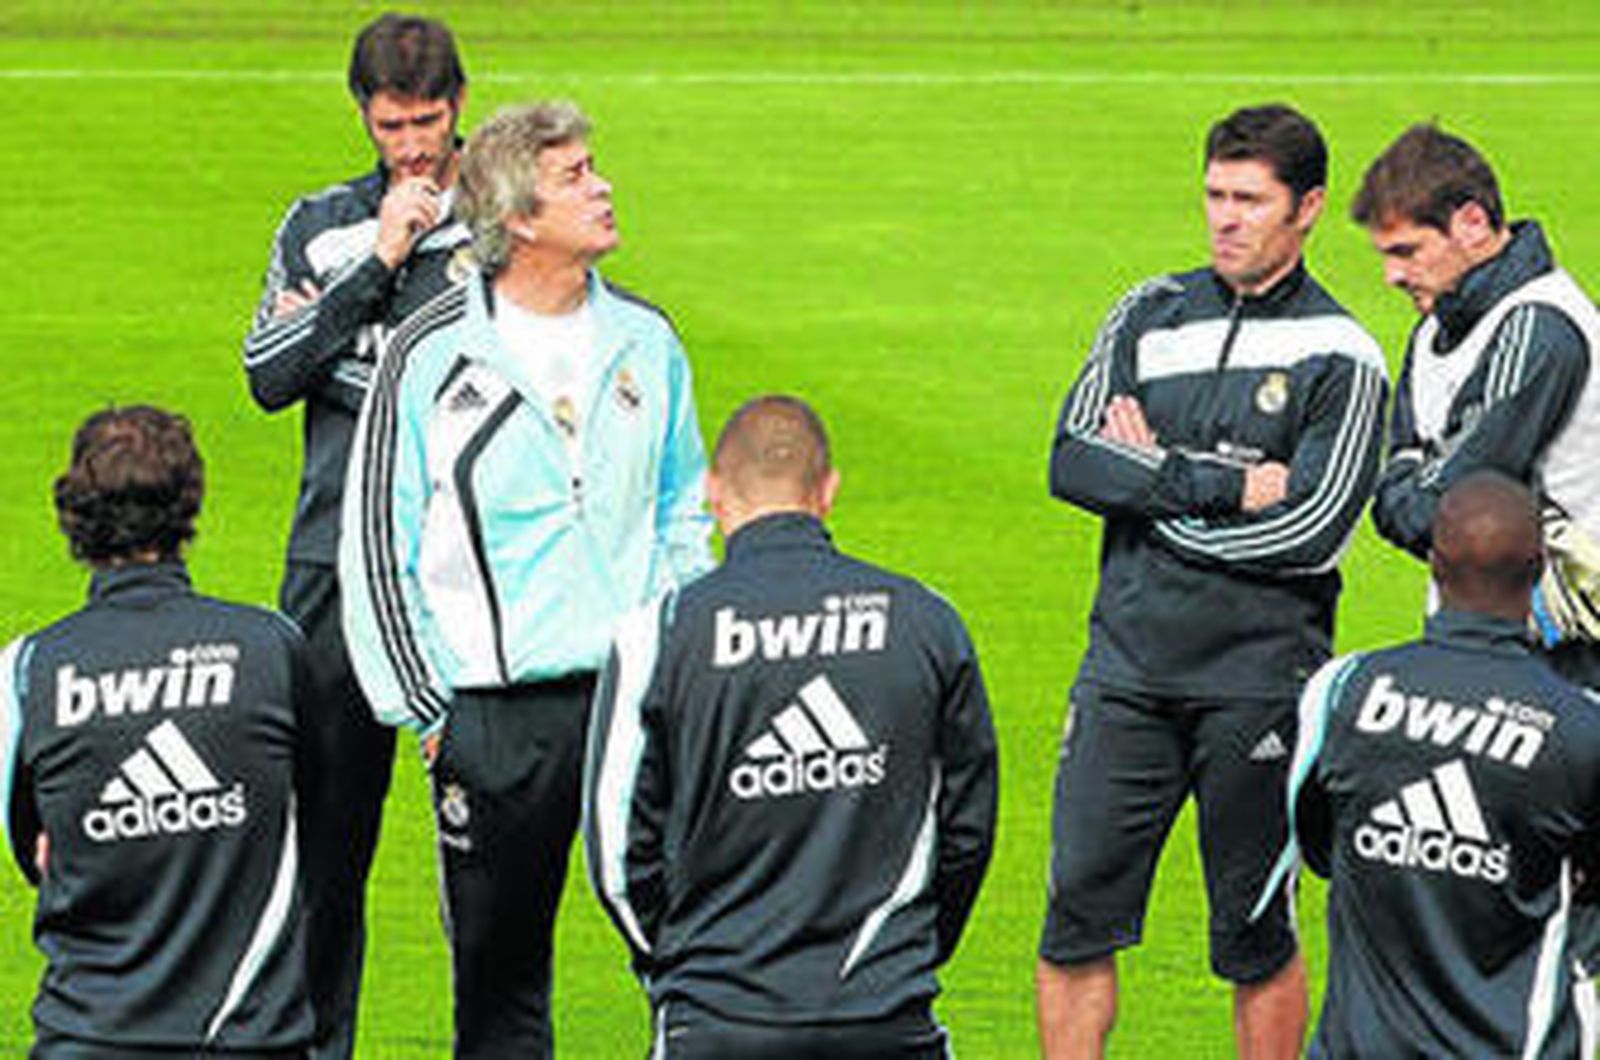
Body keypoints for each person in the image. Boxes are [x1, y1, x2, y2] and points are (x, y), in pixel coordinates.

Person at [340, 100, 713, 1058]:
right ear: (519, 218)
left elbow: (681, 517)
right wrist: (428, 708)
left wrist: (686, 670)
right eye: (576, 176)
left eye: (595, 166)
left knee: (693, 955)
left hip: (638, 702)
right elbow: (376, 542)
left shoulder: (649, 341)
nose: (604, 187)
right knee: (501, 989)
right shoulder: (426, 356)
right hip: (492, 718)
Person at [1038, 103, 1389, 1059]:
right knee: (1076, 917)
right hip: (1125, 675)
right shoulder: (1148, 312)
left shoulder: (1344, 356)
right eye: (1214, 196)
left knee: (1255, 934)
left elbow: (1313, 532)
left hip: (1259, 686)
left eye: (1250, 200)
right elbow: (1072, 463)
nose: (1225, 218)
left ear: (1307, 208)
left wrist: (1151, 498)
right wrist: (1222, 485)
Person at [583, 394, 999, 1058]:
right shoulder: (927, 620)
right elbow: (967, 827)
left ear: (714, 494)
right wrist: (902, 952)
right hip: (887, 1014)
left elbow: (617, 857)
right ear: (828, 490)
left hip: (716, 1020)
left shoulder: (655, 636)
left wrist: (683, 969)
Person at [238, 14, 469, 1057]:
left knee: (489, 859)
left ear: (458, 105)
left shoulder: (508, 229)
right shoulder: (325, 226)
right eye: (391, 126)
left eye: (426, 122)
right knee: (325, 852)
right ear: (364, 117)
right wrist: (375, 261)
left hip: (467, 586)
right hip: (331, 580)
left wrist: (343, 356)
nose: (413, 148)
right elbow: (268, 372)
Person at [1, 405, 311, 1058]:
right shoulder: (271, 646)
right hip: (248, 1037)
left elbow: (37, 852)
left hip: (87, 1037)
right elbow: (319, 815)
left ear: (76, 511)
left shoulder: (29, 670)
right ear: (188, 504)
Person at [1257, 471, 1600, 1056]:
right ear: (1541, 569)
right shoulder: (1581, 729)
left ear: (1435, 564)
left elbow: (1319, 848)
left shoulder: (1341, 690)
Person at [1354, 122, 1600, 700]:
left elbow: (1438, 509)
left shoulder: (1538, 328)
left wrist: (1411, 478)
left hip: (1566, 662)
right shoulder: (1435, 328)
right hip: (1488, 647)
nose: (1392, 275)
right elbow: (1408, 493)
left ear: (1470, 223)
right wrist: (1410, 481)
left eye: (1407, 251)